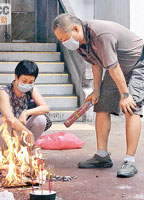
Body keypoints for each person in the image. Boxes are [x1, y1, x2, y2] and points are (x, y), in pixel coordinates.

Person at [53, 13, 144, 178]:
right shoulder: (81, 44)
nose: (63, 43)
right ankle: (102, 156)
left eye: (64, 38)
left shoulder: (101, 35)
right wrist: (96, 91)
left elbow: (113, 67)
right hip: (116, 67)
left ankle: (129, 161)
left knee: (131, 107)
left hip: (138, 61)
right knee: (101, 105)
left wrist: (125, 94)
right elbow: (96, 63)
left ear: (75, 29)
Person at [0, 60, 50, 164]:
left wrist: (26, 112)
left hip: (19, 134)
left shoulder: (31, 89)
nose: (27, 84)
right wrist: (28, 132)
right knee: (2, 120)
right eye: (24, 81)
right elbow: (10, 118)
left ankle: (25, 151)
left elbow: (45, 108)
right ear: (16, 77)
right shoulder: (4, 92)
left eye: (31, 82)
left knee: (41, 119)